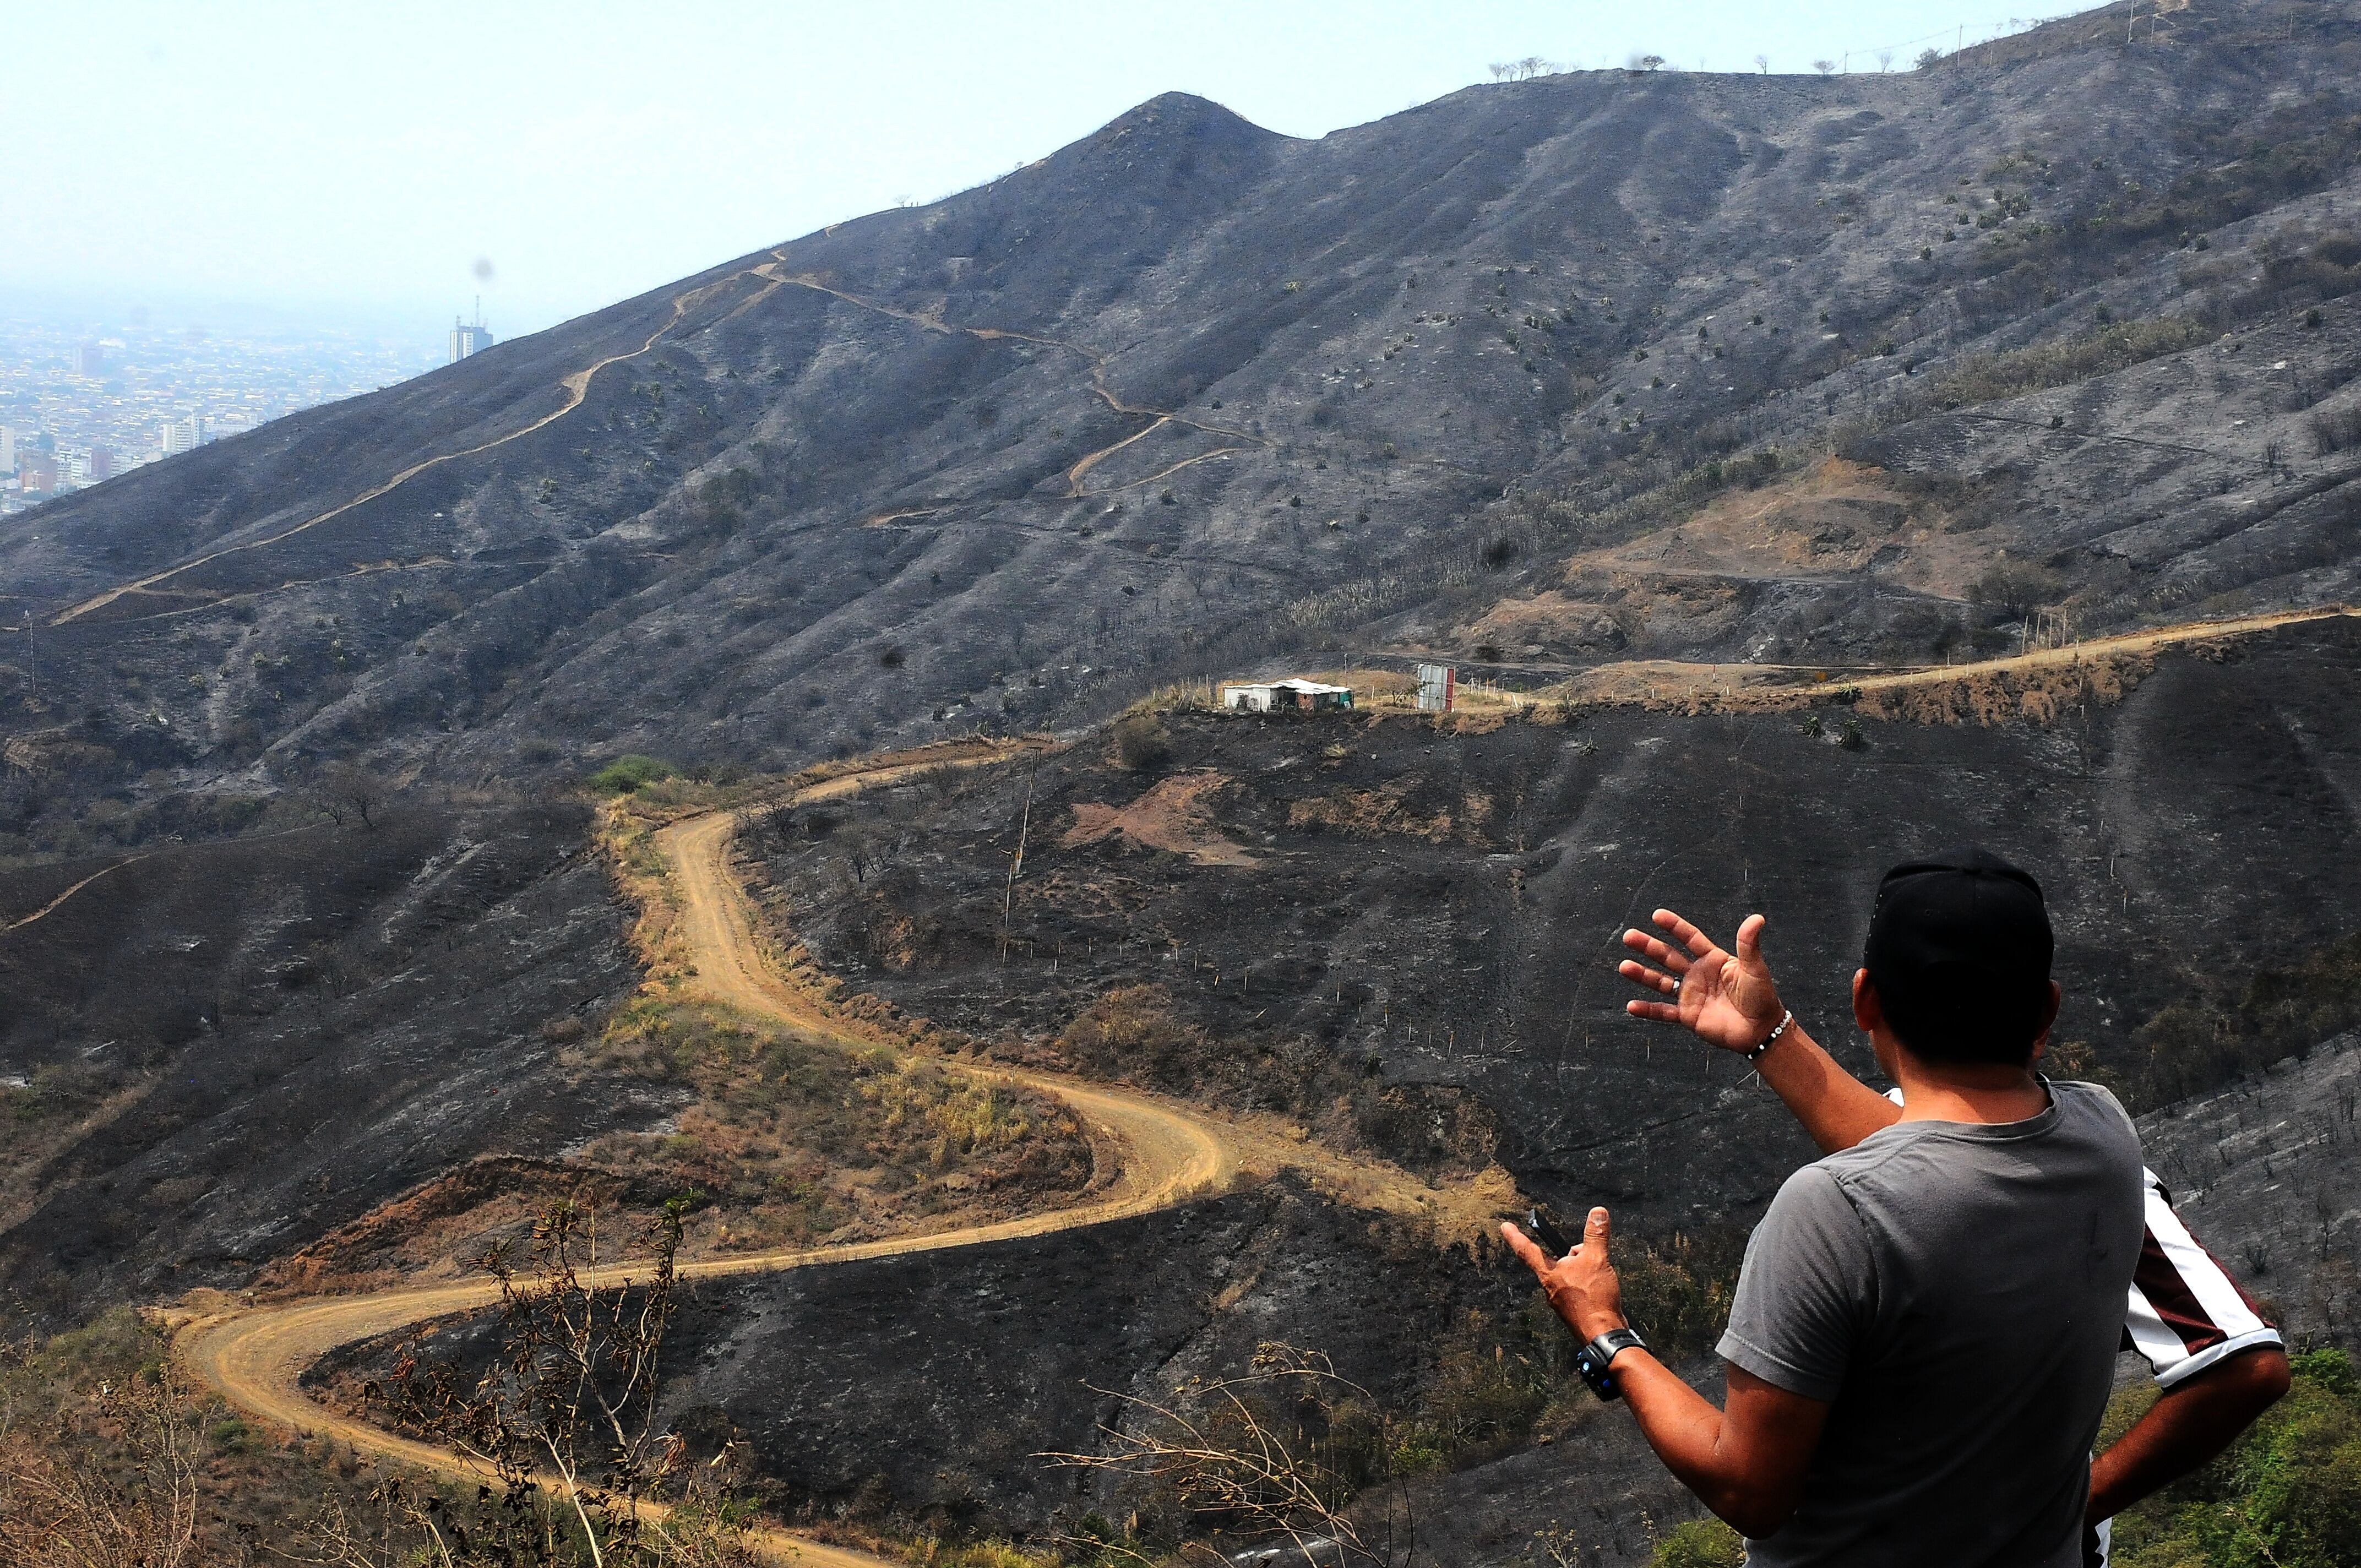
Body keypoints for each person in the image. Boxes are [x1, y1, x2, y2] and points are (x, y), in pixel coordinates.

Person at [1501, 848, 2280, 1566]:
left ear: (1865, 999)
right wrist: (1772, 1037)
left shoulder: (1829, 1210)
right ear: (2047, 1010)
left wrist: (1607, 1334)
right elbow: (1947, 1158)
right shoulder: (2104, 1136)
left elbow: (1751, 1493)